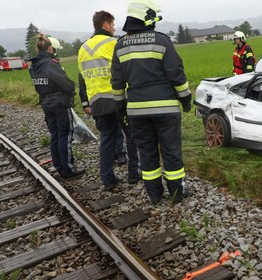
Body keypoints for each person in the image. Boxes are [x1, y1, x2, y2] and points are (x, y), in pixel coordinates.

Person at [111, 0, 191, 204]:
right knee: (171, 151)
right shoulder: (162, 41)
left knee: (146, 154)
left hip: (136, 111)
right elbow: (176, 74)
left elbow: (117, 82)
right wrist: (186, 98)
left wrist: (120, 108)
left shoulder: (120, 45)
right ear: (147, 17)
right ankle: (176, 193)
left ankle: (154, 195)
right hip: (166, 109)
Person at [78, 10, 140, 191]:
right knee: (131, 136)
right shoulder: (114, 43)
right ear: (106, 25)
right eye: (112, 25)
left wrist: (85, 103)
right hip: (118, 98)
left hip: (97, 101)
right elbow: (127, 69)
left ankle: (107, 179)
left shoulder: (83, 49)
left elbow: (82, 78)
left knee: (106, 140)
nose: (114, 28)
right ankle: (133, 174)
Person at [29, 34, 85, 180]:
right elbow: (64, 83)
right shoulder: (51, 63)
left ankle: (59, 166)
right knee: (64, 135)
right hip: (59, 103)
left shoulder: (34, 65)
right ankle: (68, 169)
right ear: (49, 48)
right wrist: (72, 88)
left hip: (46, 103)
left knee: (55, 135)